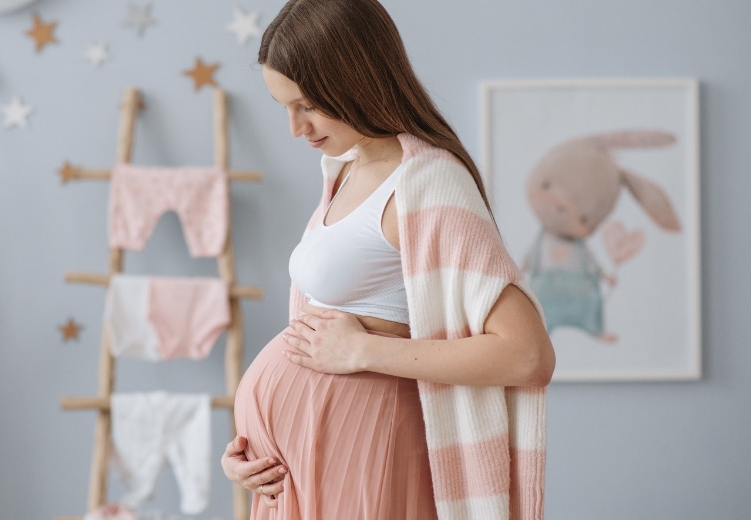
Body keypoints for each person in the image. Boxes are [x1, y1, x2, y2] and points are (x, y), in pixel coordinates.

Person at [221, 0, 556, 519]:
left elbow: (528, 355)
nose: (295, 128)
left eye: (307, 105)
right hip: (301, 471)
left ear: (356, 79)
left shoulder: (428, 182)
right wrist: (251, 450)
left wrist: (363, 353)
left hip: (366, 453)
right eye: (283, 106)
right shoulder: (346, 173)